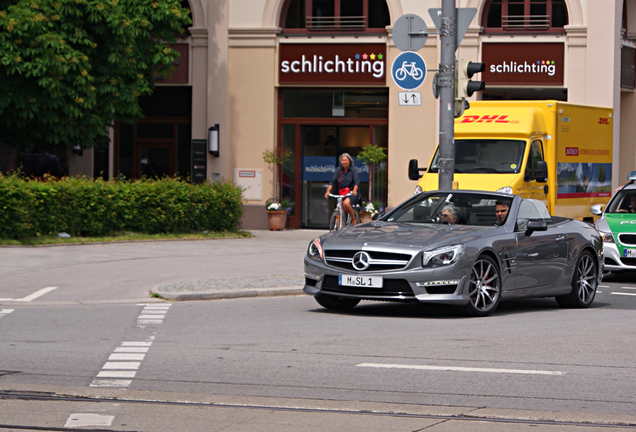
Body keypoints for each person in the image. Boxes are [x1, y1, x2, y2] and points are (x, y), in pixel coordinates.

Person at [325, 153, 360, 225]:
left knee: (346, 204)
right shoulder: (338, 170)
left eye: (345, 160)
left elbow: (357, 181)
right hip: (341, 192)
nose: (344, 162)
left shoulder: (353, 170)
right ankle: (339, 228)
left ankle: (353, 217)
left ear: (349, 161)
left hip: (351, 192)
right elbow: (333, 181)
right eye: (342, 160)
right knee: (338, 209)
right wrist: (328, 191)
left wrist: (355, 190)